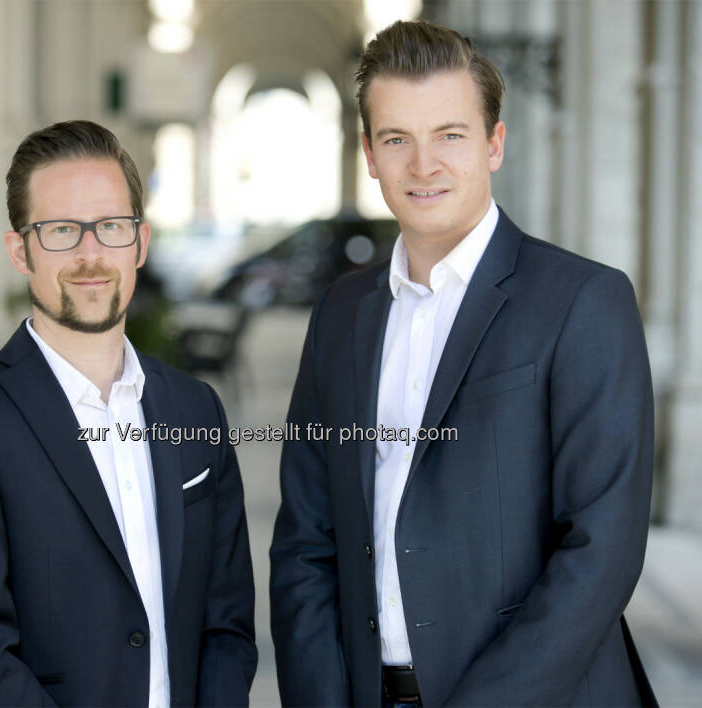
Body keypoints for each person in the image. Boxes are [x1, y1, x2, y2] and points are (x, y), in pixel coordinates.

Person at [270, 20, 657, 707]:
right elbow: (307, 537)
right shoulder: (340, 313)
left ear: (494, 144)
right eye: (397, 140)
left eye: (450, 134)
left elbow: (602, 549)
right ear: (369, 154)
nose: (424, 165)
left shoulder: (582, 301)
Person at [0, 120, 257, 707]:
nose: (91, 254)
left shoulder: (196, 409)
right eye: (62, 230)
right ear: (21, 250)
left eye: (111, 227)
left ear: (140, 243)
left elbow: (226, 620)